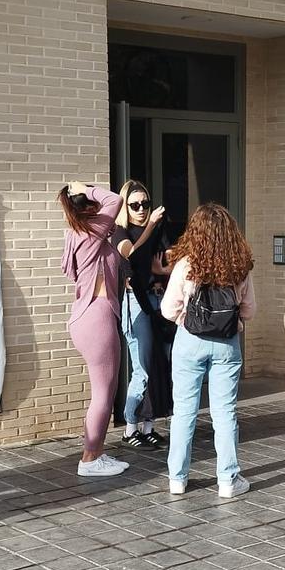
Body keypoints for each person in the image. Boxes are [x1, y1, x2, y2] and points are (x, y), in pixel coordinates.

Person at [160, 203, 255, 499]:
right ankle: (228, 480)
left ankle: (178, 478)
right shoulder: (240, 266)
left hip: (189, 342)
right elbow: (250, 310)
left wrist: (184, 319)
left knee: (184, 412)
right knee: (225, 412)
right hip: (227, 344)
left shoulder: (186, 264)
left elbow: (167, 309)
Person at [59, 181, 131, 478]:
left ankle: (95, 453)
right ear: (89, 209)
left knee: (100, 393)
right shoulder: (90, 230)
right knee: (104, 394)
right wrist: (87, 187)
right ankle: (90, 459)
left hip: (85, 318)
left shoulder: (78, 235)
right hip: (97, 317)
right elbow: (115, 200)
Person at [112, 180, 168, 451]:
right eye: (135, 204)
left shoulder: (155, 228)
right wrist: (150, 227)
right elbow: (132, 255)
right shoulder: (119, 232)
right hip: (135, 303)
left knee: (157, 367)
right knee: (142, 370)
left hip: (156, 299)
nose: (142, 209)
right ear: (125, 206)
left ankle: (148, 427)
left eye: (145, 203)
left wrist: (163, 273)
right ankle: (129, 427)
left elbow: (164, 260)